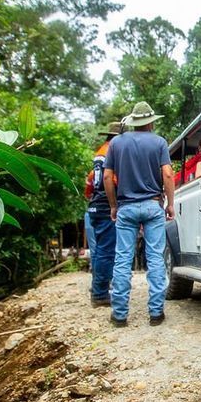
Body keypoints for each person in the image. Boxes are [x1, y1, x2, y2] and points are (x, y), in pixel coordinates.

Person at [103, 101, 175, 327]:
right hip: (153, 206)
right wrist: (170, 204)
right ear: (151, 122)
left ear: (134, 122)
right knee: (155, 258)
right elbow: (168, 175)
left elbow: (107, 177)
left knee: (122, 259)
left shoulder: (116, 143)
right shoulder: (159, 142)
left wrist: (113, 206)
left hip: (126, 207)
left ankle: (120, 315)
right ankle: (155, 313)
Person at [84, 121, 122, 307]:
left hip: (94, 206)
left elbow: (90, 181)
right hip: (106, 204)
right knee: (107, 251)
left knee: (99, 251)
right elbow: (111, 179)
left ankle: (96, 287)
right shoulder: (112, 152)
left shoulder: (99, 152)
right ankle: (99, 294)